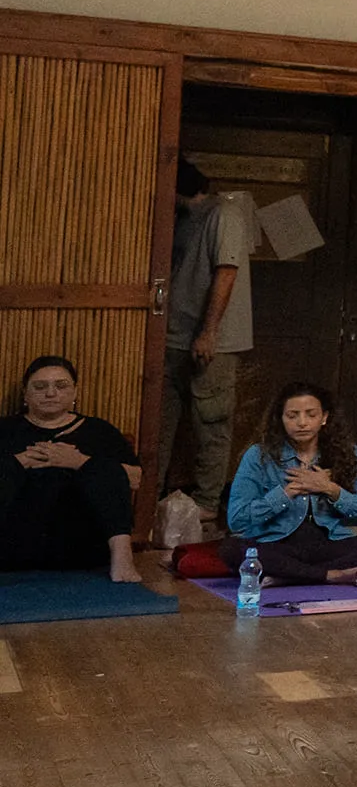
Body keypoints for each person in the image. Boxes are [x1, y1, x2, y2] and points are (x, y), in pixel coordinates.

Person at [220, 381, 357, 586]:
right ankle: (331, 575)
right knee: (231, 550)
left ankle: (290, 576)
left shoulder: (349, 453)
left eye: (311, 415)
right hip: (277, 544)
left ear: (324, 418)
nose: (302, 422)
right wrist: (284, 495)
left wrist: (330, 489)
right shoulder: (258, 456)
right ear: (281, 420)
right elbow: (237, 520)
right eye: (292, 416)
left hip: (331, 544)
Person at [164, 159, 256, 505]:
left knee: (211, 423)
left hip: (211, 339)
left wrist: (209, 332)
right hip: (173, 332)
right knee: (162, 424)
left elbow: (226, 271)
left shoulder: (224, 214)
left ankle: (206, 503)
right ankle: (152, 499)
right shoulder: (183, 218)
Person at [0, 355, 139, 582]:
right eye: (40, 386)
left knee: (104, 467)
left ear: (74, 392)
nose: (51, 393)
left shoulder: (99, 431)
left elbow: (135, 479)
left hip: (81, 541)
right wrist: (20, 461)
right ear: (25, 395)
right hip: (13, 544)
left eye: (61, 386)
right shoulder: (5, 430)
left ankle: (123, 558)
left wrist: (79, 462)